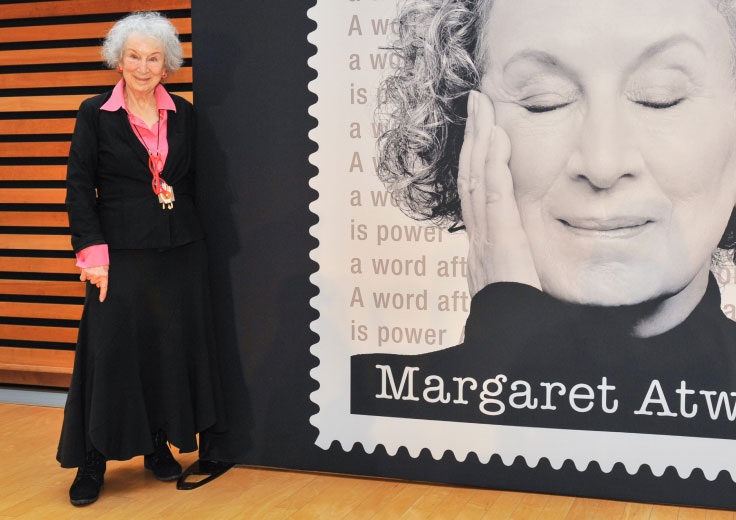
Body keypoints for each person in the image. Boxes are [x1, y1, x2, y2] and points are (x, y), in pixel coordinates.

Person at [351, 0, 736, 438]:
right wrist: (505, 344)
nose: (603, 163)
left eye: (659, 98)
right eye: (543, 102)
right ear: (462, 127)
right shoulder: (363, 407)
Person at [57, 12, 227, 506]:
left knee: (165, 350)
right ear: (118, 59)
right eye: (134, 56)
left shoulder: (185, 114)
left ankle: (157, 443)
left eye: (154, 57)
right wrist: (91, 254)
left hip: (179, 253)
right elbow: (77, 188)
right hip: (119, 256)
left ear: (167, 65)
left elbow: (193, 183)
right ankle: (92, 460)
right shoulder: (94, 112)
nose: (143, 66)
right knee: (108, 354)